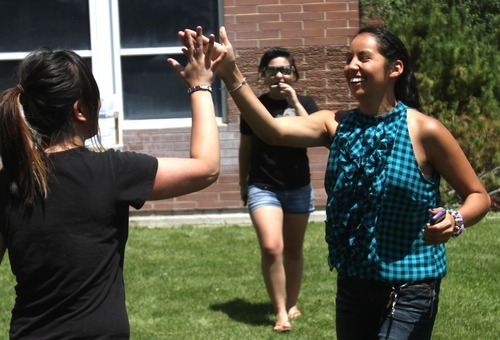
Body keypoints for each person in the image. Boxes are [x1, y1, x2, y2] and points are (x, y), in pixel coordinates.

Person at [178, 25, 491, 339]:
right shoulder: (334, 124)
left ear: (395, 68)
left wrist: (456, 219)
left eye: (363, 58)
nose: (351, 66)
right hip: (354, 283)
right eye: (348, 58)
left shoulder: (425, 130)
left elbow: (478, 195)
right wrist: (231, 73)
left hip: (411, 286)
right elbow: (273, 131)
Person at [0, 27, 225, 338]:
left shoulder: (8, 181)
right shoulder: (112, 171)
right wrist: (200, 86)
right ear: (80, 109)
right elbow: (207, 168)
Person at [239, 47, 318, 332]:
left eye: (285, 70)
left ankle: (292, 302)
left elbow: (311, 134)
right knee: (273, 247)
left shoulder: (306, 102)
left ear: (294, 74)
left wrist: (294, 101)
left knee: (294, 249)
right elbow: (245, 147)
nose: (279, 75)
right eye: (272, 70)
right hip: (263, 186)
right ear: (263, 75)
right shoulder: (255, 107)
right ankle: (281, 312)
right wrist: (242, 182)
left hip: (298, 186)